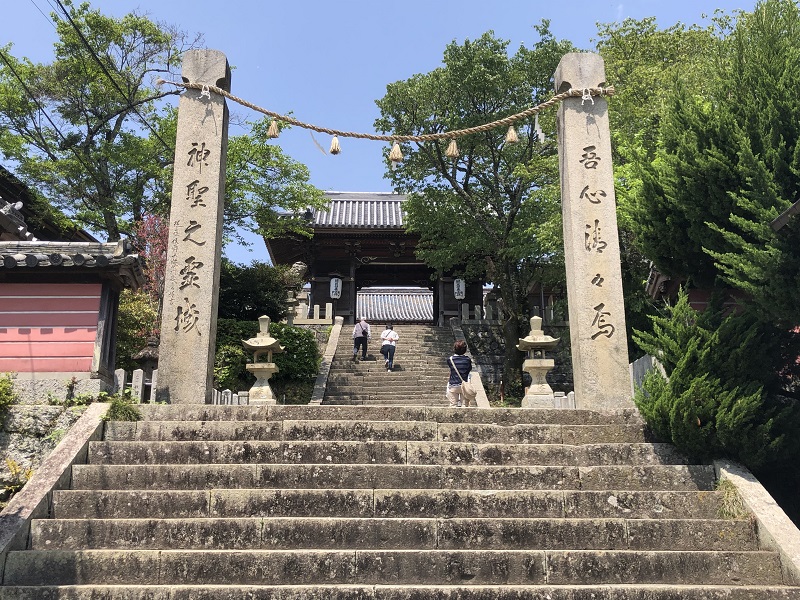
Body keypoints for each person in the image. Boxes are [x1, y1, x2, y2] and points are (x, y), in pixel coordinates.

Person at [446, 339, 473, 407]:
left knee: (453, 405)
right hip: (464, 386)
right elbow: (469, 369)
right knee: (465, 406)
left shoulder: (450, 359)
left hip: (453, 385)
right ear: (465, 350)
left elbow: (451, 369)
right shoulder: (467, 360)